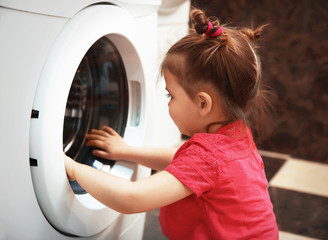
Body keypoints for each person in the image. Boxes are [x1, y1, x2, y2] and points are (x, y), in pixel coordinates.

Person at [64, 8, 279, 239]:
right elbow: (182, 158)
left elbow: (132, 198)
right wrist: (128, 151)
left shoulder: (209, 160)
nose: (168, 103)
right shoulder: (236, 136)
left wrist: (74, 168)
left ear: (203, 104)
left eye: (171, 96)